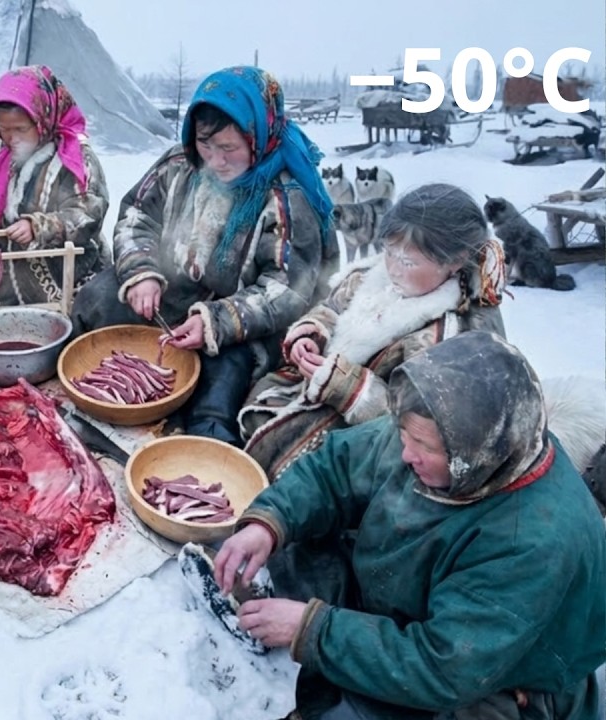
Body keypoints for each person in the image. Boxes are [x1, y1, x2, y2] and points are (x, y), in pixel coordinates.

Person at [214, 332, 606, 720]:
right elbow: (336, 468)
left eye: (424, 447)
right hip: (413, 599)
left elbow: (443, 667)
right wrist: (269, 523)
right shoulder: (443, 428)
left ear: (474, 457)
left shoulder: (531, 540)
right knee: (286, 557)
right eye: (405, 434)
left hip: (484, 669)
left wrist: (311, 630)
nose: (405, 454)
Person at [71, 66, 338, 445]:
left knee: (223, 375)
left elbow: (285, 289)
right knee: (98, 297)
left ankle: (203, 442)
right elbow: (137, 216)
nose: (215, 160)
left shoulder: (287, 198)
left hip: (246, 318)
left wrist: (216, 321)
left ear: (258, 137)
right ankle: (90, 390)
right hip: (176, 291)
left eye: (229, 148)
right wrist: (142, 271)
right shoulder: (179, 164)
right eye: (205, 144)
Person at [238, 184, 506, 480]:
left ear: (455, 261)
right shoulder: (372, 278)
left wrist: (349, 387)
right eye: (389, 252)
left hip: (364, 441)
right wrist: (314, 332)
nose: (394, 269)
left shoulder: (455, 337)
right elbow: (332, 307)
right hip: (307, 395)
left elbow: (427, 424)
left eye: (408, 262)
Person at [0, 65, 108, 307]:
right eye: (4, 129)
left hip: (66, 272)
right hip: (2, 269)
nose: (12, 138)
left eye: (21, 129)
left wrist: (38, 227)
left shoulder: (76, 157)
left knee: (74, 316)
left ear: (42, 119)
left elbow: (88, 213)